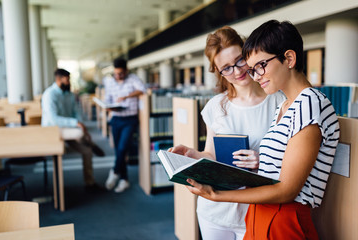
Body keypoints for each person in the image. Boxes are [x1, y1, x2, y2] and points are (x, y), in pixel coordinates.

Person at [183, 20, 340, 240]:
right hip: (260, 213)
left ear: (289, 59)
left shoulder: (309, 103)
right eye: (253, 67)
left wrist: (217, 195)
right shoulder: (285, 106)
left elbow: (287, 190)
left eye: (260, 65)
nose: (253, 75)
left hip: (281, 216)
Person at [169, 26, 285, 239]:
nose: (237, 71)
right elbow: (211, 155)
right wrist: (193, 154)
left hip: (257, 210)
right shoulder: (216, 106)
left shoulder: (279, 101)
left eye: (240, 60)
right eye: (226, 68)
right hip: (215, 210)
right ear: (218, 71)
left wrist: (263, 160)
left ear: (248, 53)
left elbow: (291, 159)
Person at [41, 68, 105, 191]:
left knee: (87, 151)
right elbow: (54, 119)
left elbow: (76, 112)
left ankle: (90, 183)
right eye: (67, 79)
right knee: (79, 133)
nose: (69, 82)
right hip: (53, 130)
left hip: (68, 130)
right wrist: (76, 123)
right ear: (59, 79)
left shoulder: (70, 95)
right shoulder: (49, 94)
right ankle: (89, 142)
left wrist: (79, 122)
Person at [104, 58, 146, 193]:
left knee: (122, 148)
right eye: (116, 73)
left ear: (126, 71)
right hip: (116, 119)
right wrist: (109, 107)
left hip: (130, 119)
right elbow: (108, 99)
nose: (118, 76)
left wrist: (127, 96)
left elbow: (142, 89)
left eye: (121, 73)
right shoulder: (110, 82)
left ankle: (115, 171)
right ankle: (124, 180)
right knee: (118, 151)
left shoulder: (133, 78)